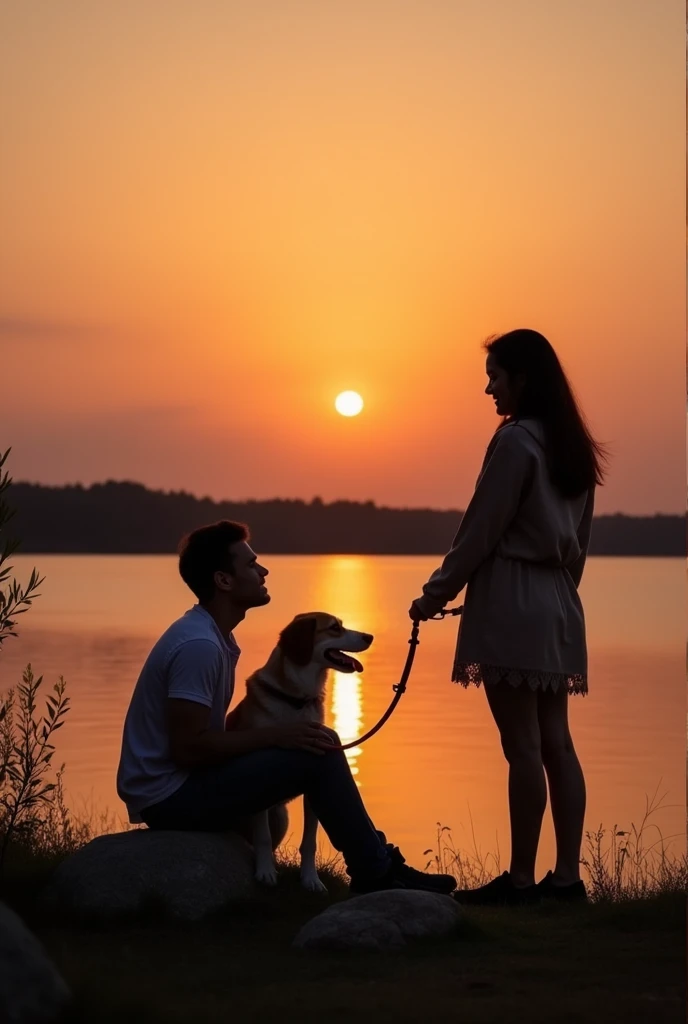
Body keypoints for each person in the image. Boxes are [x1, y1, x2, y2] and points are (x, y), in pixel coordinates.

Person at [117, 520, 455, 895]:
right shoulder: (199, 646)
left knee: (316, 741)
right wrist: (277, 735)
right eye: (250, 565)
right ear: (223, 581)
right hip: (170, 799)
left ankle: (375, 860)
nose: (263, 571)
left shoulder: (211, 636)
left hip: (179, 789)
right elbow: (188, 749)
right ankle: (375, 871)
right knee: (320, 750)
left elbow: (202, 740)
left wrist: (273, 738)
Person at [409, 329, 607, 906]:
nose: (488, 387)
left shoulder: (517, 443)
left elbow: (480, 531)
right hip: (560, 603)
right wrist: (553, 600)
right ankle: (567, 879)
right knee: (557, 745)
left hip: (515, 601)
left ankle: (521, 880)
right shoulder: (573, 446)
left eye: (496, 375)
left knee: (522, 746)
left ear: (523, 378)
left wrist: (434, 594)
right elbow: (581, 546)